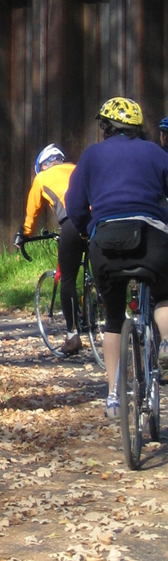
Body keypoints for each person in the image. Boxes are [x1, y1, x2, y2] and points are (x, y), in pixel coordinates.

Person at [65, 97, 168, 421]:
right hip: (152, 236)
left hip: (106, 241)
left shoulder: (92, 155)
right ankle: (166, 345)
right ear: (137, 128)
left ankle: (113, 396)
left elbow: (76, 205)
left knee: (112, 317)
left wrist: (83, 230)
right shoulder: (156, 152)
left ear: (106, 128)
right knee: (165, 295)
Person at [14, 144, 84, 356]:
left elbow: (32, 213)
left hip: (72, 223)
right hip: (99, 221)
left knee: (68, 278)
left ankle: (72, 337)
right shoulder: (78, 168)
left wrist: (24, 234)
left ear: (42, 166)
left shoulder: (41, 179)